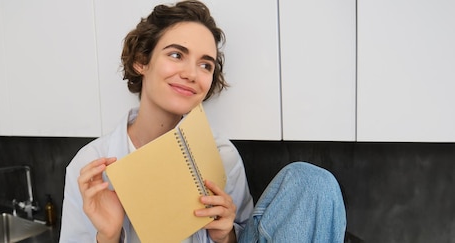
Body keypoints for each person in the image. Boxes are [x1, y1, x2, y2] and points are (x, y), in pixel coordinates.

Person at [60, 1, 346, 242]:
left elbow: (248, 234)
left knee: (311, 182)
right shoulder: (90, 168)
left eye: (205, 64)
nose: (191, 73)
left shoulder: (222, 155)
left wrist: (225, 237)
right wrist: (108, 236)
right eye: (176, 55)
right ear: (141, 61)